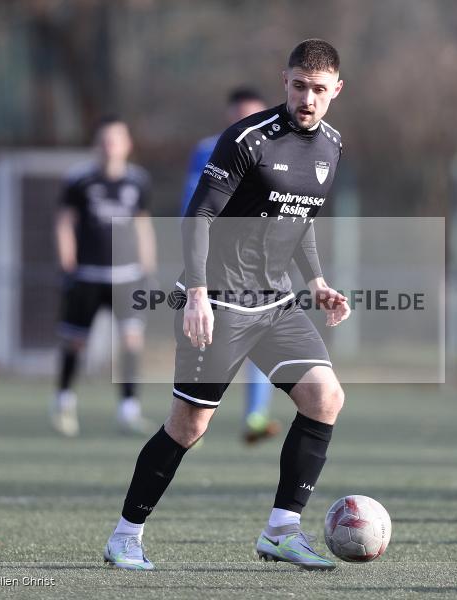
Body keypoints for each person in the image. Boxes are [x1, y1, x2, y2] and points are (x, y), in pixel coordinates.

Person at [104, 39, 350, 571]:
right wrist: (196, 295)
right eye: (300, 86)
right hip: (218, 299)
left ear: (336, 90)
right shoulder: (246, 139)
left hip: (277, 301)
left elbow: (298, 218)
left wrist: (317, 280)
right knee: (188, 427)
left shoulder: (332, 146)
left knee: (324, 398)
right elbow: (199, 217)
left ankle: (282, 530)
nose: (308, 98)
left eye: (319, 89)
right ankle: (126, 535)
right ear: (285, 81)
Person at [182, 87, 280, 445]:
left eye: (252, 114)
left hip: (260, 265)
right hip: (217, 263)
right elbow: (193, 204)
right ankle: (191, 417)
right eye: (239, 113)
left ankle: (255, 416)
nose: (245, 121)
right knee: (207, 339)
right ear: (228, 115)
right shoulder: (209, 149)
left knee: (258, 336)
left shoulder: (275, 146)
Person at [51, 116, 156, 437]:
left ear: (127, 145)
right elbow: (65, 221)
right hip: (87, 275)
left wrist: (147, 266)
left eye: (116, 139)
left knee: (131, 340)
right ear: (96, 145)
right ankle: (64, 402)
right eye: (104, 140)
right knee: (75, 341)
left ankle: (129, 410)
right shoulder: (80, 180)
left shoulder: (138, 181)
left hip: (126, 276)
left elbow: (142, 223)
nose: (110, 146)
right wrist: (66, 258)